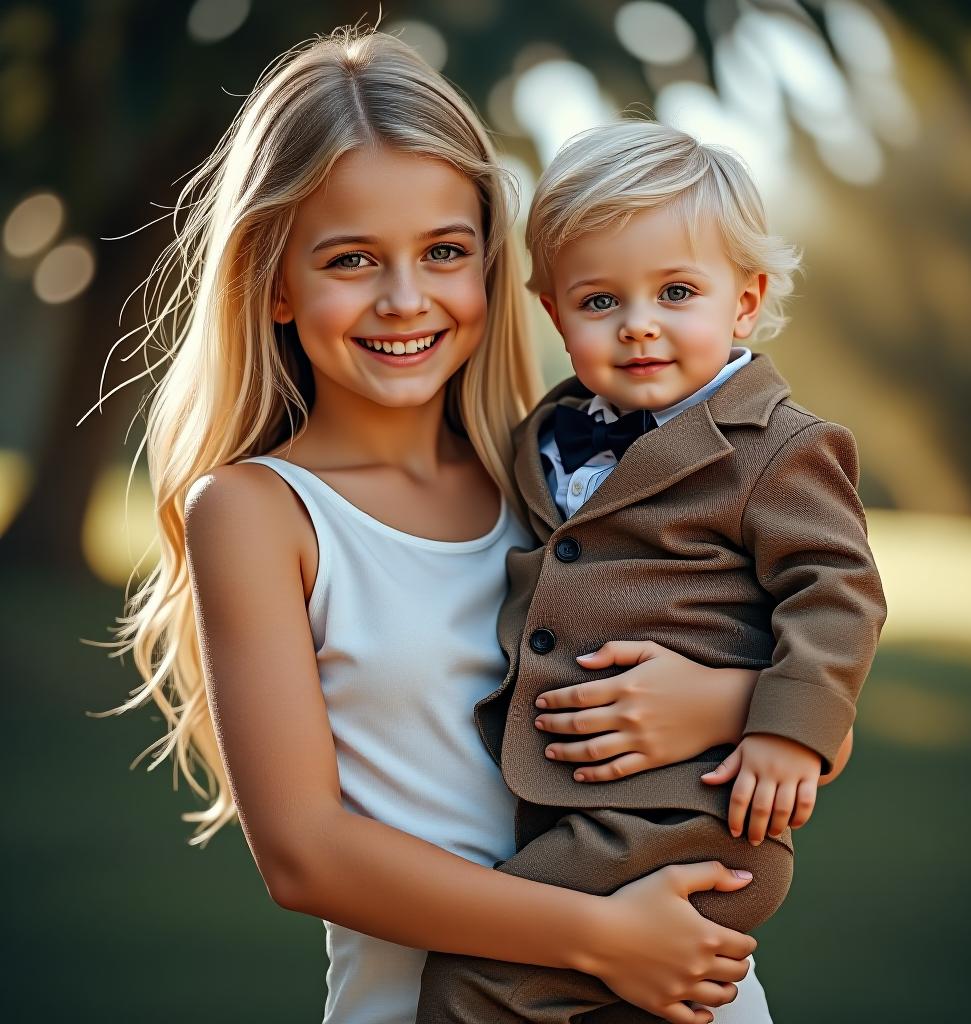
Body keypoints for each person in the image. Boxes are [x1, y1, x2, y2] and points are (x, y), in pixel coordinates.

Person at [106, 29, 792, 1024]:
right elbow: (306, 854)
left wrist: (716, 702)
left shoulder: (565, 477)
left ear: (489, 267)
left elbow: (815, 710)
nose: (404, 298)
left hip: (695, 997)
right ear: (275, 280)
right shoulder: (260, 513)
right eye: (352, 259)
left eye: (443, 253)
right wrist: (600, 935)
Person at [416, 121, 884, 1023]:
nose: (639, 325)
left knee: (476, 979)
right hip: (589, 815)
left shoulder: (779, 447)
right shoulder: (545, 439)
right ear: (554, 313)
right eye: (600, 302)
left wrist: (790, 731)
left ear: (743, 303)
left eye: (677, 291)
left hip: (689, 822)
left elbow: (839, 590)